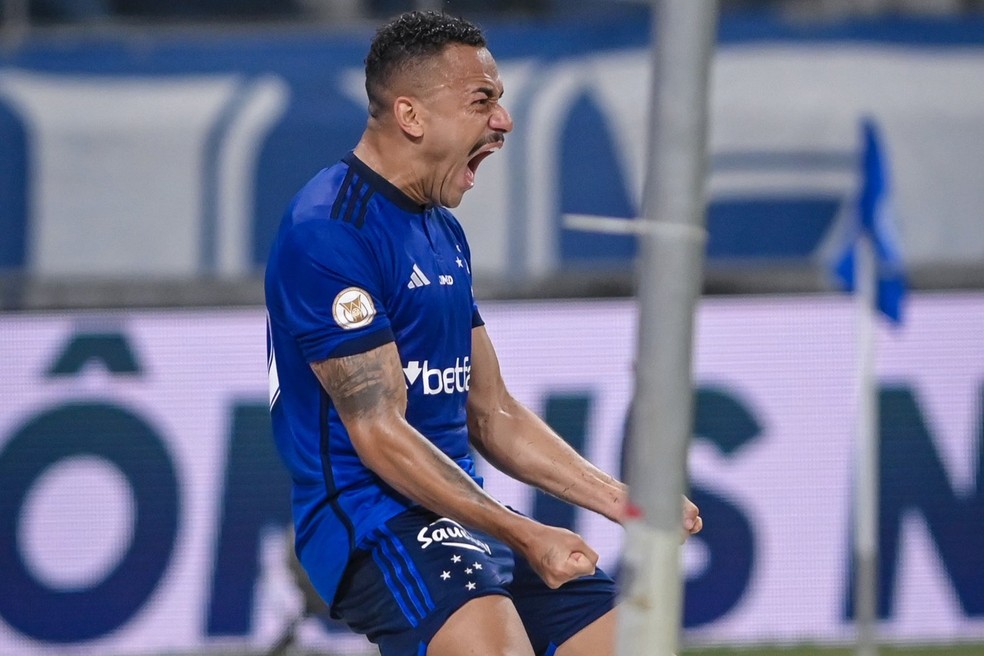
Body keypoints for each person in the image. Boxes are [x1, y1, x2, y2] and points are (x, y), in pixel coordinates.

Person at [264, 10, 702, 655]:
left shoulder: (441, 229)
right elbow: (379, 434)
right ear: (411, 116)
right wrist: (525, 534)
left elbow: (491, 413)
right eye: (483, 101)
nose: (504, 121)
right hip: (370, 522)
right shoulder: (329, 232)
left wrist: (629, 502)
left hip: (463, 518)